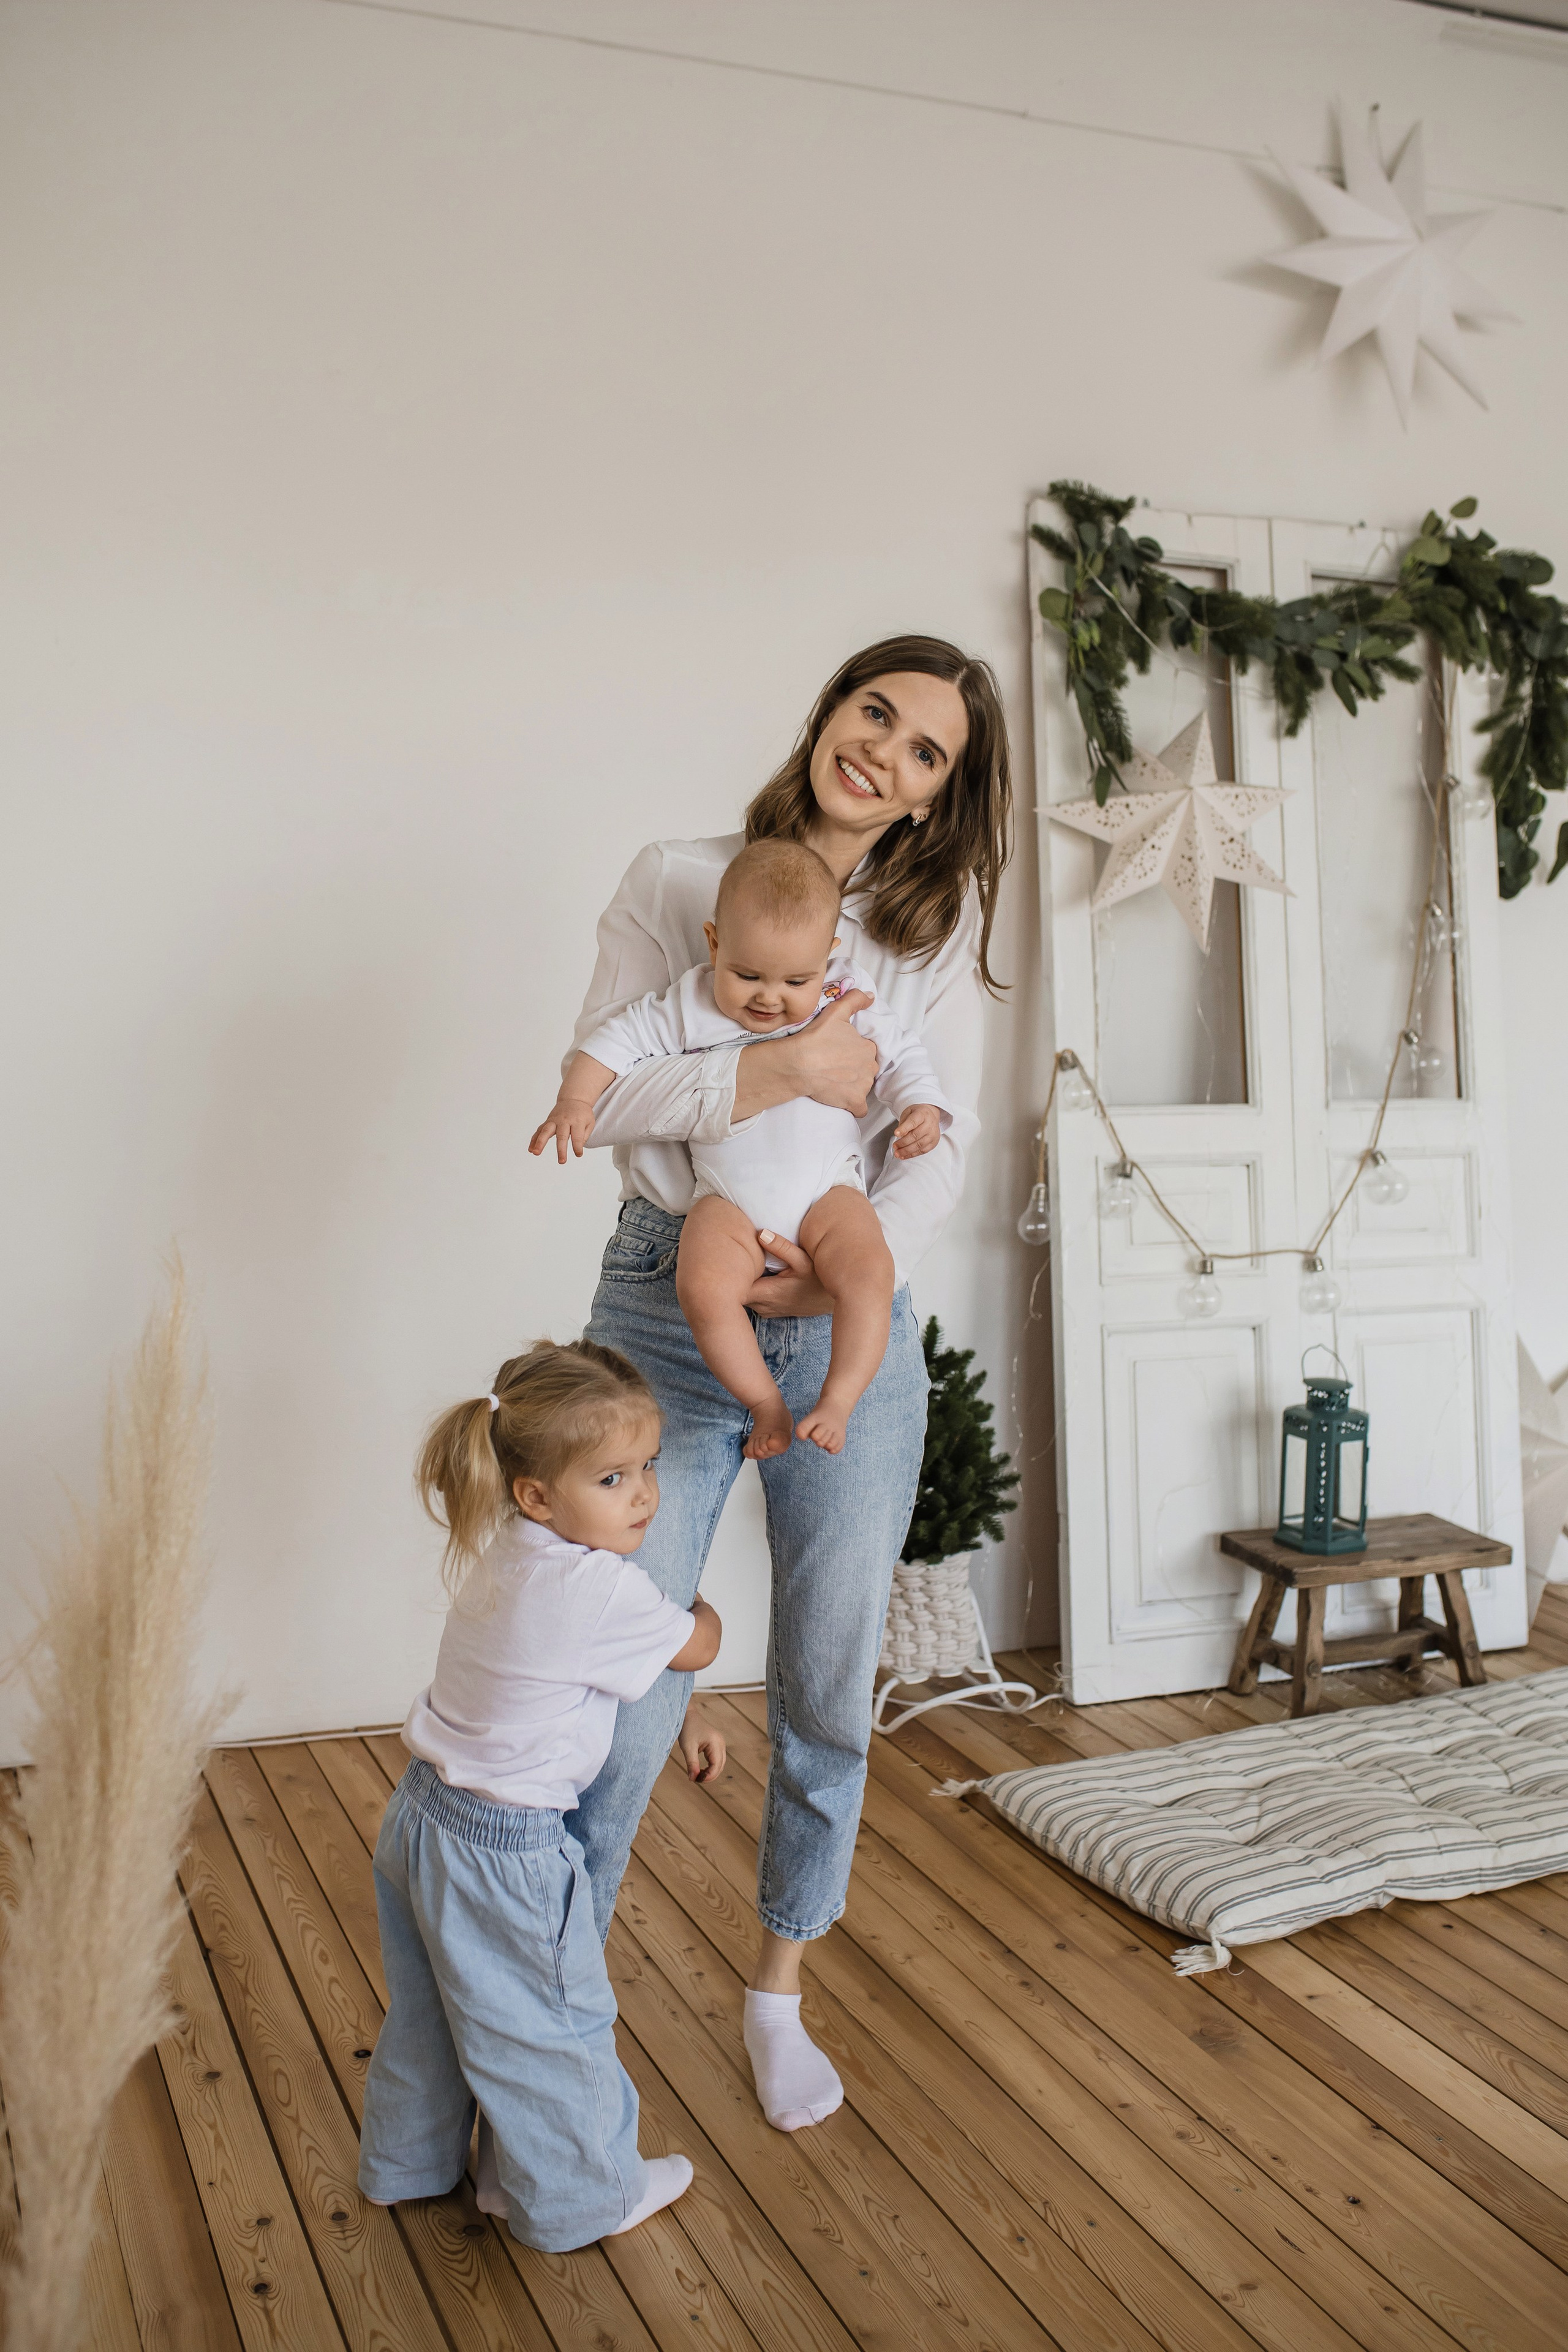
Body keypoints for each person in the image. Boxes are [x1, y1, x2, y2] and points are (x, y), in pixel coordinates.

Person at [555, 633, 1011, 2136]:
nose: (881, 747)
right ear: (828, 713)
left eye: (924, 747)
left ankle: (773, 1990)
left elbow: (928, 1145)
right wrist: (780, 1072)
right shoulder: (676, 874)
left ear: (940, 795)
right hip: (667, 1292)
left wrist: (832, 1276)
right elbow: (608, 1085)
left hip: (837, 1302)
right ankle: (553, 2029)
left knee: (826, 1672)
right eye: (872, 710)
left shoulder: (919, 931)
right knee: (612, 1673)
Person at [356, 1338, 727, 2249]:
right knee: (549, 2028)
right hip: (506, 1848)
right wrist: (701, 1602)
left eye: (648, 1466)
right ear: (537, 1493)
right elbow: (699, 1646)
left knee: (434, 2008)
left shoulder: (503, 1547)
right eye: (612, 1478)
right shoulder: (599, 1586)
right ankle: (576, 2199)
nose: (643, 1493)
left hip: (419, 1817)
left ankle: (408, 2162)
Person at [530, 836, 951, 1458]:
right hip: (724, 1201)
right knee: (701, 1287)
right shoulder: (692, 1001)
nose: (769, 997)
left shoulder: (845, 995)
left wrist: (921, 1106)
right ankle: (764, 1403)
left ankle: (837, 1399)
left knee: (870, 1273)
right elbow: (614, 1042)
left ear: (829, 959)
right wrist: (575, 1100)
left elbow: (903, 1055)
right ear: (715, 943)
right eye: (747, 974)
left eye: (795, 979)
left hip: (828, 1192)